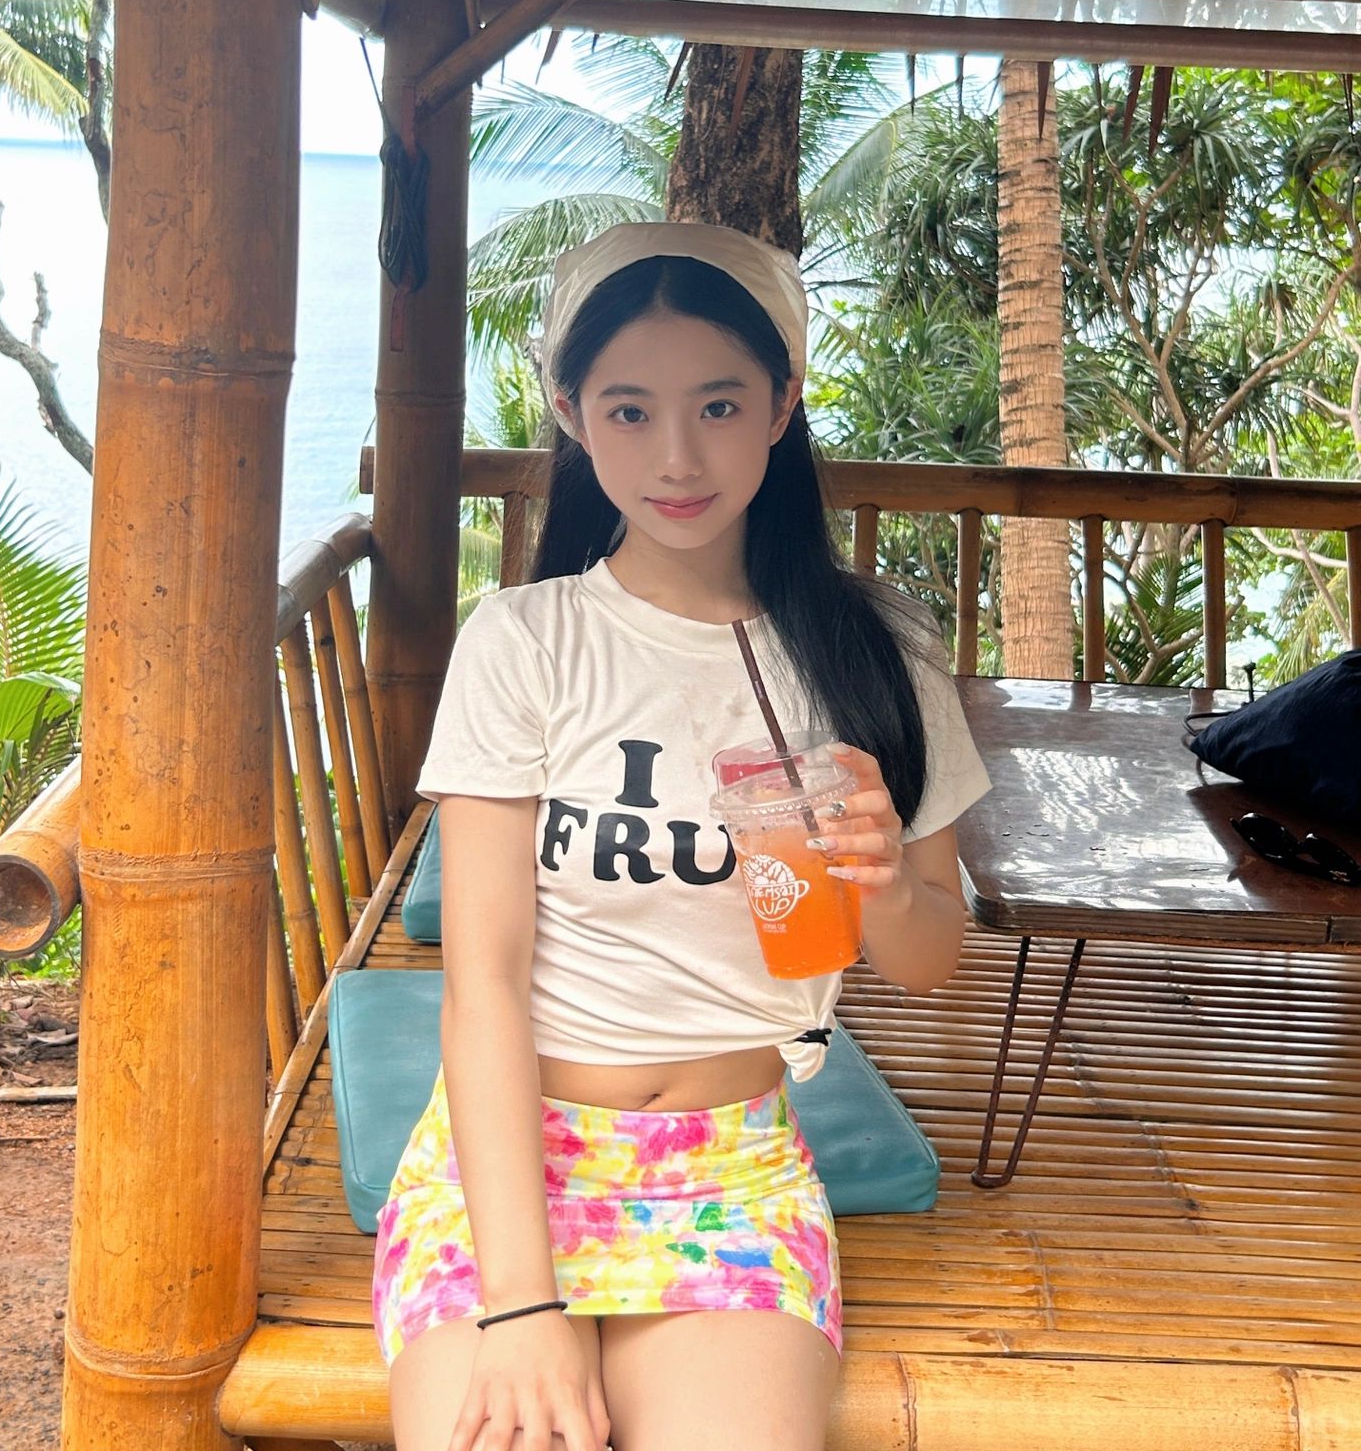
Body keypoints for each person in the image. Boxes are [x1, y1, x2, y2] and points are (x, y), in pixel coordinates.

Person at [372, 221, 991, 1451]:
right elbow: (483, 982)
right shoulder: (526, 641)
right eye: (628, 411)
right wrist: (524, 1305)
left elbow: (932, 960)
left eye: (718, 405)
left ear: (782, 404)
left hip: (732, 1166)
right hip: (509, 1165)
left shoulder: (879, 651)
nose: (677, 457)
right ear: (571, 413)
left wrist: (879, 882)